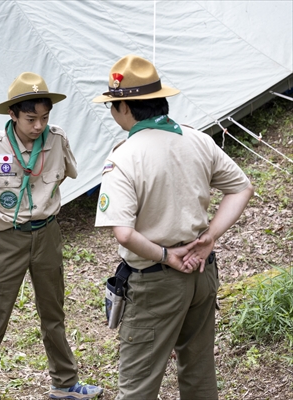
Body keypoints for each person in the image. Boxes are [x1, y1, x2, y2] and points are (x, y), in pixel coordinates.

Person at [93, 55, 254, 399]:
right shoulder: (197, 140)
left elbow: (123, 232)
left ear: (124, 107)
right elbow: (241, 188)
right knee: (198, 374)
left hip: (155, 282)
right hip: (202, 272)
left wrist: (167, 256)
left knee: (138, 385)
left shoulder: (124, 157)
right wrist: (209, 236)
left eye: (113, 104)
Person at [0, 72, 104, 400]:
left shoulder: (57, 138)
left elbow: (61, 175)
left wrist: (41, 203)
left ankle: (65, 384)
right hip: (7, 239)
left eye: (45, 118)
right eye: (31, 119)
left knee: (53, 314)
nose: (38, 126)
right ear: (13, 115)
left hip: (47, 234)